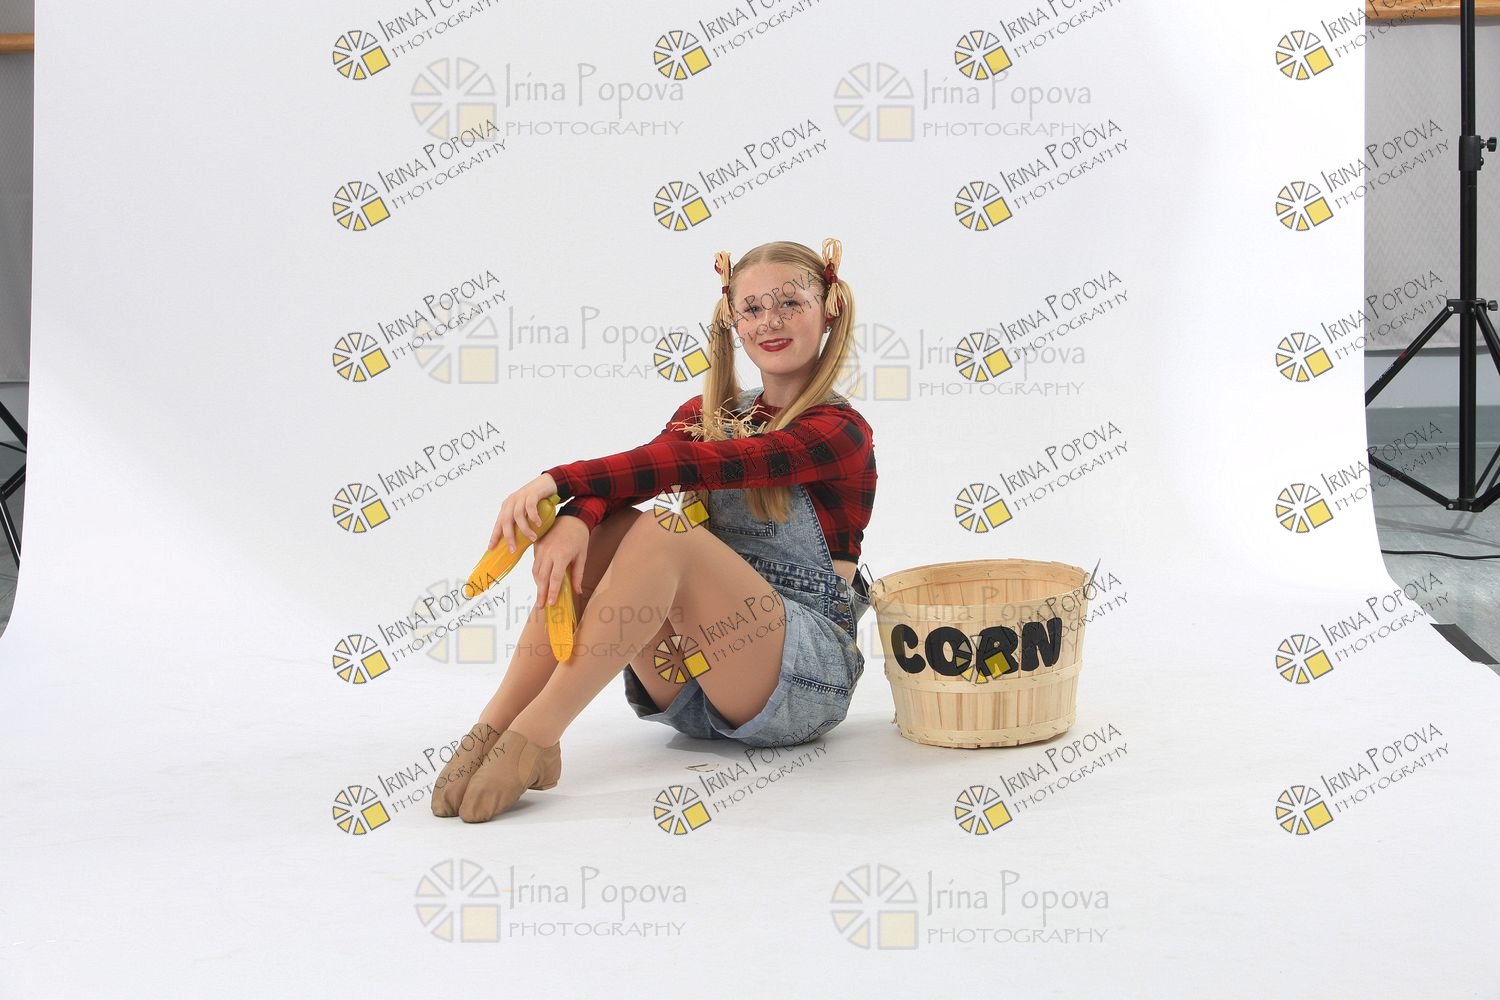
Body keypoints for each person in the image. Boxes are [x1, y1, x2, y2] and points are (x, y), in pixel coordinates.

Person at [430, 237, 877, 823]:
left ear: (829, 309)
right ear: (732, 319)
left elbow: (692, 465)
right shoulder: (705, 414)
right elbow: (644, 471)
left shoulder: (839, 431)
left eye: (790, 302)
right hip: (689, 684)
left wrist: (556, 481)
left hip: (798, 682)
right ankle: (496, 725)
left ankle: (535, 736)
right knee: (613, 527)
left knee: (667, 531)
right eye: (752, 308)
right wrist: (578, 518)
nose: (770, 321)